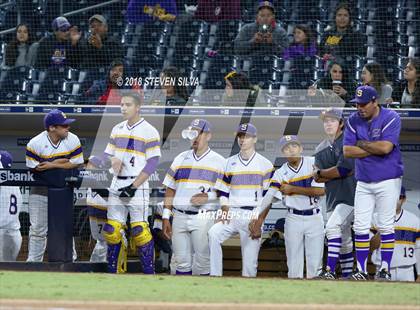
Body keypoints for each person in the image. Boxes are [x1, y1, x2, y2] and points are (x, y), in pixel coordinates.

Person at [343, 85, 404, 280]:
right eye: (357, 104)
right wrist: (373, 148)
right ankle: (361, 270)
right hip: (364, 180)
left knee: (386, 226)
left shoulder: (391, 116)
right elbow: (347, 151)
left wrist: (361, 144)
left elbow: (386, 148)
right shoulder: (353, 120)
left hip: (388, 179)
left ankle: (384, 269)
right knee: (360, 227)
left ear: (374, 102)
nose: (359, 108)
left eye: (363, 104)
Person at [249, 135, 325, 279]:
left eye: (294, 146)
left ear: (301, 148)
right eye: (287, 148)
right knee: (293, 265)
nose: (291, 150)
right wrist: (256, 215)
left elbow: (321, 191)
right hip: (293, 218)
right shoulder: (280, 172)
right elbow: (269, 197)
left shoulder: (313, 163)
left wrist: (292, 189)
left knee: (315, 266)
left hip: (314, 218)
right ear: (283, 153)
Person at [102, 92, 161, 274]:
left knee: (140, 231)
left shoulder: (149, 130)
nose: (123, 108)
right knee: (112, 230)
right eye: (121, 104)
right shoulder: (117, 128)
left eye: (128, 105)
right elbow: (107, 154)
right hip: (116, 183)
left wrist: (133, 187)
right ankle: (115, 271)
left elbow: (153, 163)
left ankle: (148, 274)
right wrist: (110, 160)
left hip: (137, 185)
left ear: (138, 107)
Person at [208, 123, 273, 277]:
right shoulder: (228, 162)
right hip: (233, 212)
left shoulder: (265, 164)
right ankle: (215, 277)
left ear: (255, 139)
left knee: (250, 265)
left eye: (247, 136)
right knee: (213, 233)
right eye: (240, 136)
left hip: (253, 213)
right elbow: (223, 191)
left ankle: (247, 296)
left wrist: (259, 220)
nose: (243, 140)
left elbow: (268, 197)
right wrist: (224, 210)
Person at [161, 119, 225, 275]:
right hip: (180, 216)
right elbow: (170, 188)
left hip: (203, 217)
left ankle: (203, 299)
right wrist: (165, 217)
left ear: (208, 135)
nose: (195, 137)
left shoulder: (220, 161)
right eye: (192, 133)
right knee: (181, 264)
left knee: (203, 264)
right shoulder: (180, 158)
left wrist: (207, 196)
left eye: (199, 133)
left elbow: (226, 191)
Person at [25, 109, 84, 262]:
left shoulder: (73, 139)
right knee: (38, 229)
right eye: (64, 126)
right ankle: (33, 263)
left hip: (64, 191)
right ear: (52, 128)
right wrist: (63, 161)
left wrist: (52, 164)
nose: (68, 128)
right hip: (40, 191)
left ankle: (71, 261)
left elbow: (76, 163)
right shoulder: (35, 143)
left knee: (65, 227)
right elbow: (36, 168)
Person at [313, 108, 356, 279]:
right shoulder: (320, 147)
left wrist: (322, 173)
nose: (328, 123)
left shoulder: (348, 141)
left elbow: (343, 170)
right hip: (333, 198)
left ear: (341, 123)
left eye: (332, 120)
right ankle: (346, 276)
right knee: (344, 240)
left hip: (351, 196)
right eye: (325, 121)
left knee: (331, 228)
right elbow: (317, 179)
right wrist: (325, 174)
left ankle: (330, 271)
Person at [370, 186, 420, 282]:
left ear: (404, 199)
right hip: (381, 270)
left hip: (407, 271)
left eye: (399, 197)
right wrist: (383, 228)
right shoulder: (375, 218)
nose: (396, 200)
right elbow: (371, 246)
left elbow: (418, 249)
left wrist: (419, 274)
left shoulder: (414, 220)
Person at [85, 156, 110, 263]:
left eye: (91, 164)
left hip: (105, 213)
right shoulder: (89, 178)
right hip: (96, 212)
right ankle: (96, 267)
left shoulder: (106, 179)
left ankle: (98, 267)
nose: (87, 166)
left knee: (105, 242)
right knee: (102, 242)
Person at [0, 151, 23, 262]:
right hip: (15, 234)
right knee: (8, 268)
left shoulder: (2, 179)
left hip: (2, 234)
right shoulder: (15, 183)